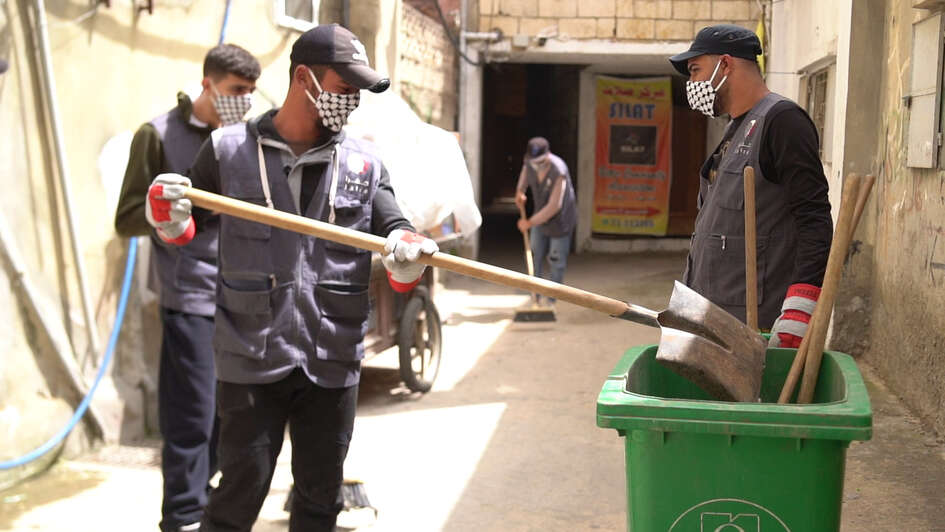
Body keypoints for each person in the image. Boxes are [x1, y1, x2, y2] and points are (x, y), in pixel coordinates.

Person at [143, 24, 438, 532]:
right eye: (345, 89)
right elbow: (187, 230)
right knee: (238, 495)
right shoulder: (226, 151)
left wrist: (408, 256)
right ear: (305, 79)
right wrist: (166, 218)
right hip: (250, 356)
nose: (352, 101)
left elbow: (395, 229)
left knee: (320, 500)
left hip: (332, 357)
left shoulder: (364, 165)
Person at [114, 44, 260, 532]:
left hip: (242, 293)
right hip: (190, 294)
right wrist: (164, 214)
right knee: (192, 417)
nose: (245, 101)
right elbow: (126, 217)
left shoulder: (247, 141)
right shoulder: (157, 136)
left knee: (232, 415)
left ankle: (205, 505)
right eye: (237, 91)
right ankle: (181, 517)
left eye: (251, 93)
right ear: (208, 84)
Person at [669, 25, 833, 346]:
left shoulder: (783, 122)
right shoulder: (735, 129)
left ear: (726, 64)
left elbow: (814, 220)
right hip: (711, 318)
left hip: (755, 326)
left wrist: (800, 308)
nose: (692, 84)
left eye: (695, 70)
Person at [513, 137, 577, 304]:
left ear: (547, 156)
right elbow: (523, 178)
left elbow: (554, 206)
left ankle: (552, 301)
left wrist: (529, 223)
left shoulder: (559, 170)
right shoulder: (529, 163)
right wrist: (519, 192)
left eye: (540, 162)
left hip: (560, 220)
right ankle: (535, 295)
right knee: (534, 254)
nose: (536, 165)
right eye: (533, 162)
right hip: (539, 217)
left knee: (556, 260)